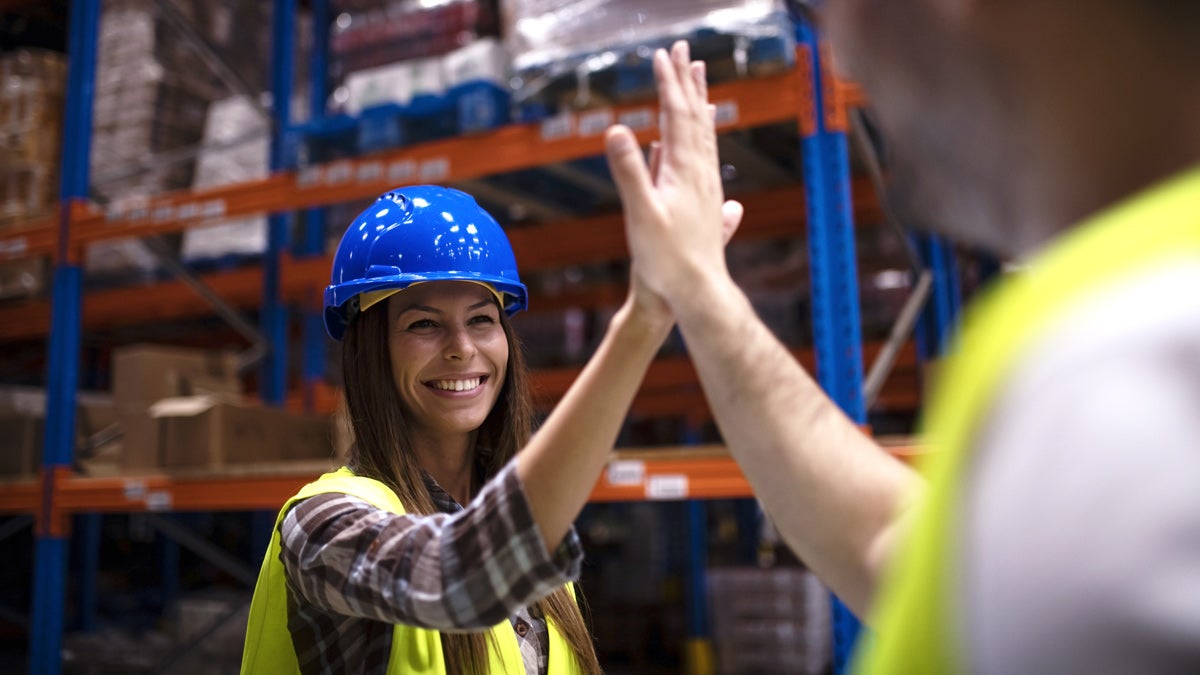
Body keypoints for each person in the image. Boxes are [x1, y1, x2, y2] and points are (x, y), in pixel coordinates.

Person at [604, 12, 1200, 674]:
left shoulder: (1136, 349)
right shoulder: (1126, 324)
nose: (846, 48)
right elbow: (893, 544)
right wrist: (699, 291)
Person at [241, 183, 741, 674]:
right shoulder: (321, 525)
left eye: (481, 319)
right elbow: (458, 577)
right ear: (371, 352)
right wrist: (639, 329)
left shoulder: (528, 532)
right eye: (424, 324)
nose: (462, 348)